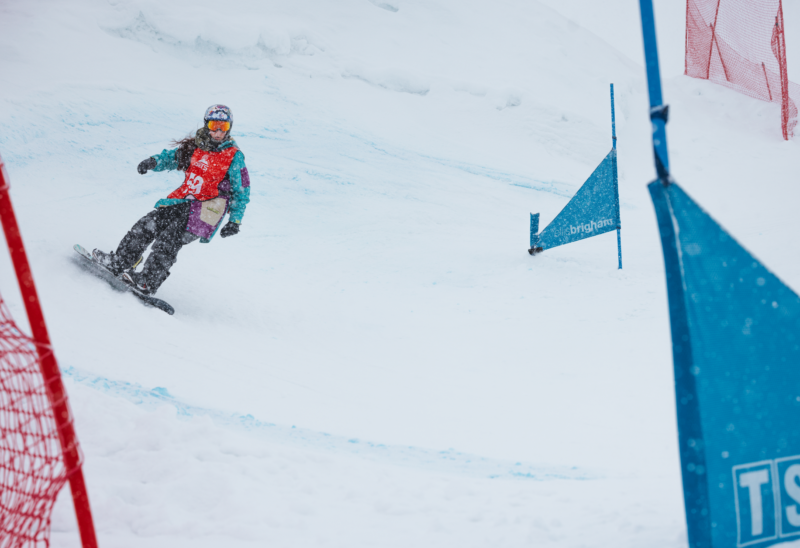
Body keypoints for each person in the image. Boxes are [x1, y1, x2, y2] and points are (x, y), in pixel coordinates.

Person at [93, 104, 250, 295]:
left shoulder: (234, 156)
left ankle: (147, 282)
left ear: (229, 128)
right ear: (206, 125)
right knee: (147, 225)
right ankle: (120, 262)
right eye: (214, 126)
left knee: (169, 240)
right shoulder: (197, 146)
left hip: (207, 210)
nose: (218, 132)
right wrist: (154, 161)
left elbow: (242, 190)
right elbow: (172, 158)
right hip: (184, 202)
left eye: (223, 127)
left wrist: (235, 221)